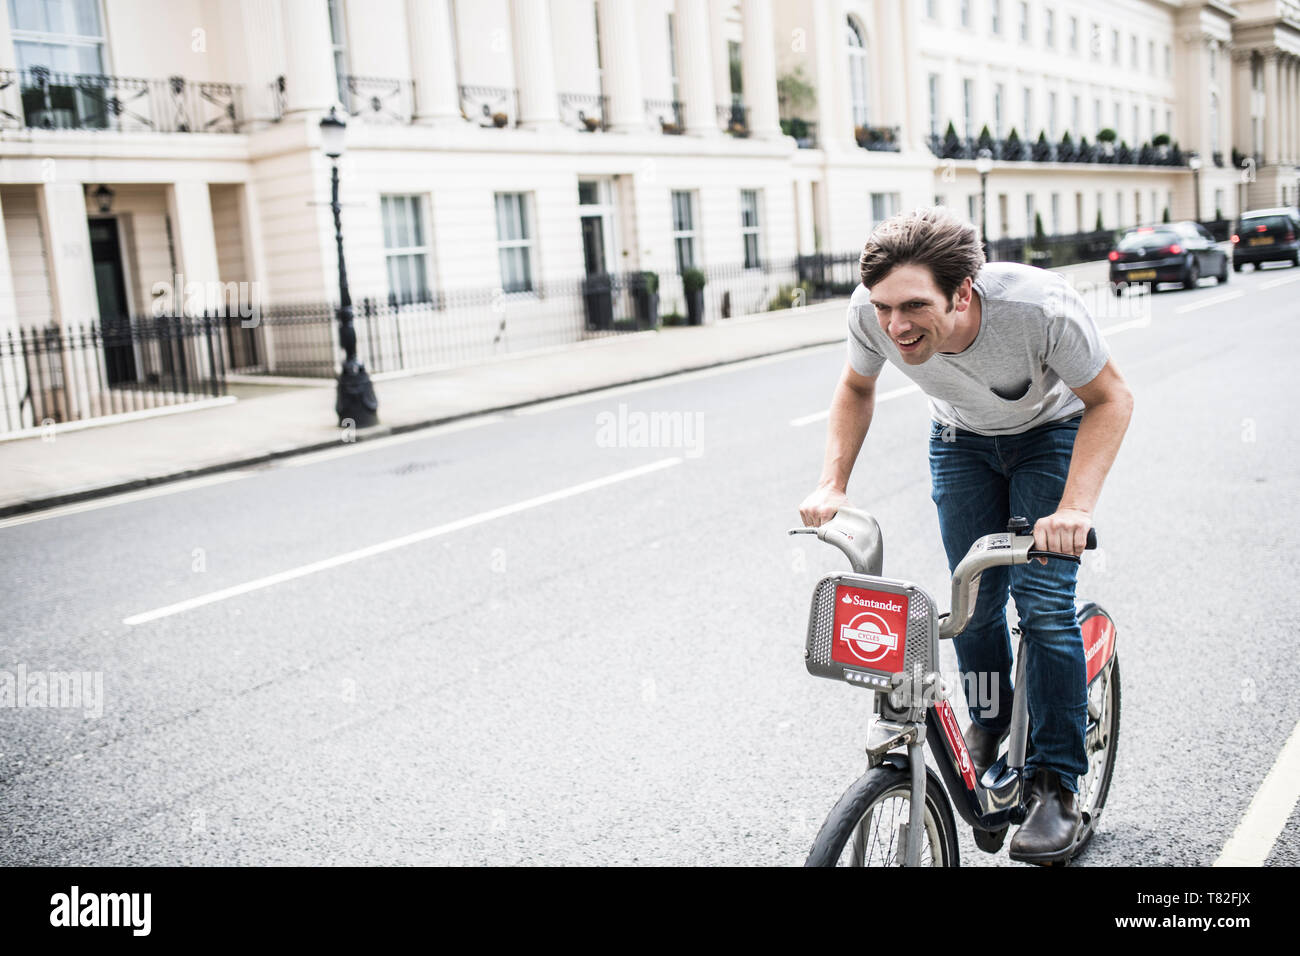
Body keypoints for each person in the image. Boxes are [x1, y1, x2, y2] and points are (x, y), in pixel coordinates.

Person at [798, 206, 1133, 865]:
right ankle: (989, 722)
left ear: (963, 291)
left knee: (1040, 606)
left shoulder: (1041, 310)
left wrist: (1074, 509)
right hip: (960, 441)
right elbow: (855, 386)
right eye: (884, 307)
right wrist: (832, 483)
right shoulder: (873, 315)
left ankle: (1054, 784)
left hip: (1050, 434)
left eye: (913, 306)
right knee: (971, 607)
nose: (895, 326)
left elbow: (1112, 398)